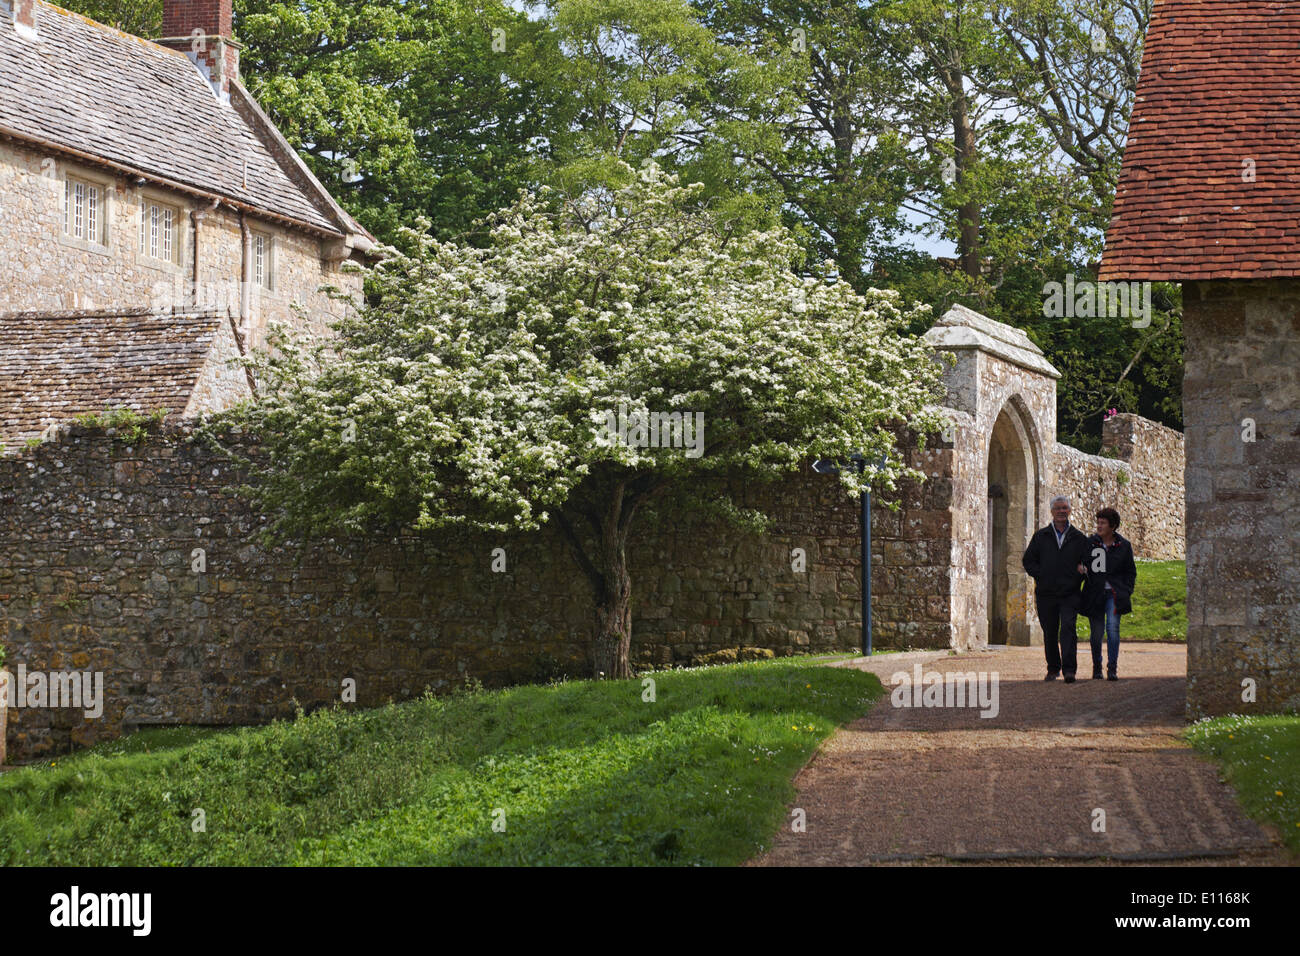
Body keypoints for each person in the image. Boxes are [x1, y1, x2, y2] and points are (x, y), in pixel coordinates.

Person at [1022, 495, 1090, 682]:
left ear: (1069, 511)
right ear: (1052, 511)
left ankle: (1069, 670)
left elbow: (1087, 562)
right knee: (1050, 631)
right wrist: (1042, 574)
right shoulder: (1040, 536)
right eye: (1058, 508)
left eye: (1065, 508)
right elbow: (1028, 561)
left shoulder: (1079, 538)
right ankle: (1053, 668)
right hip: (1046, 593)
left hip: (1070, 593)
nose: (1061, 511)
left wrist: (1081, 572)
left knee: (1068, 628)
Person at [1079, 507, 1137, 681]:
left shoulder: (1124, 546)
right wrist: (1081, 569)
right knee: (1096, 634)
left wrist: (1126, 590)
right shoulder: (1090, 544)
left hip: (1114, 595)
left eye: (1103, 523)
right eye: (1098, 522)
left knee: (1112, 629)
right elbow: (1081, 563)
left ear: (1113, 526)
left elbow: (1130, 572)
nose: (1099, 526)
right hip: (1094, 594)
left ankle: (1112, 668)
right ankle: (1097, 667)